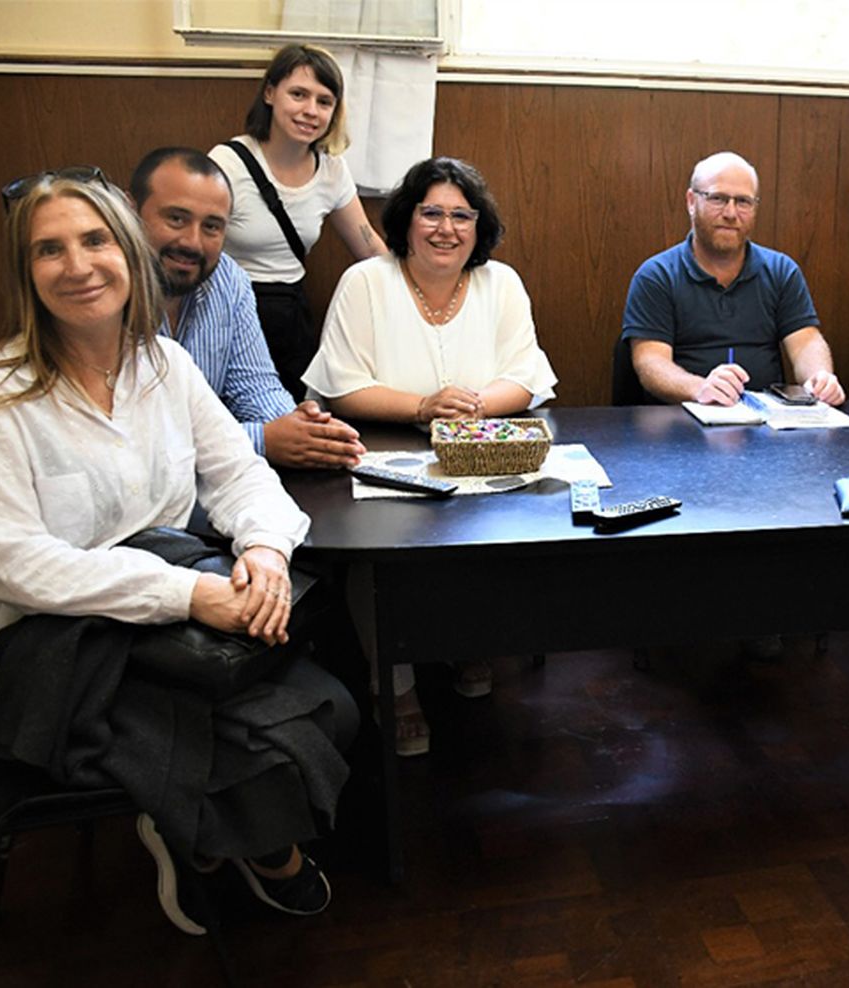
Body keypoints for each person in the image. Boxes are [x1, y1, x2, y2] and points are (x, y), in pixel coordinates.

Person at [0, 170, 355, 935]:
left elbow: (243, 476)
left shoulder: (165, 367)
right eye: (49, 249)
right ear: (26, 272)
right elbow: (21, 566)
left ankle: (201, 832)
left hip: (161, 620)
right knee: (265, 740)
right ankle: (220, 838)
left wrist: (266, 553)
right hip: (46, 644)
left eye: (95, 240)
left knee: (333, 703)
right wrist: (192, 596)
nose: (77, 266)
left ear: (128, 253)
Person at [303, 155, 558, 755]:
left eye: (461, 216)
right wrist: (424, 407)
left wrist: (467, 408)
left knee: (498, 536)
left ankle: (467, 644)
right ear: (407, 220)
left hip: (480, 449)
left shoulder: (503, 283)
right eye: (432, 213)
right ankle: (393, 685)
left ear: (479, 226)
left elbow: (526, 378)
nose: (446, 229)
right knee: (382, 556)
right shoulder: (366, 281)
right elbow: (340, 385)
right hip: (383, 452)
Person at [129, 146, 365, 470]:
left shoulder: (228, 279)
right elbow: (131, 439)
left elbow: (256, 386)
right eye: (176, 219)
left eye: (211, 227)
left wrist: (302, 428)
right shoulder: (98, 292)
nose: (193, 242)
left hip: (213, 486)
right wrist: (263, 439)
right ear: (130, 212)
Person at [209, 43, 387, 403]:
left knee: (297, 425)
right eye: (299, 94)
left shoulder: (332, 170)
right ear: (270, 93)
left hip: (291, 319)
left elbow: (369, 250)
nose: (310, 111)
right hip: (229, 313)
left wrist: (421, 292)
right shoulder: (227, 162)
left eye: (324, 101)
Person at [621, 151, 845, 407]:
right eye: (718, 198)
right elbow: (650, 362)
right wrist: (700, 388)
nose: (731, 212)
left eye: (743, 202)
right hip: (683, 423)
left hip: (766, 426)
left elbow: (806, 342)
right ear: (691, 201)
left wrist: (819, 378)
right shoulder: (656, 276)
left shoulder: (781, 270)